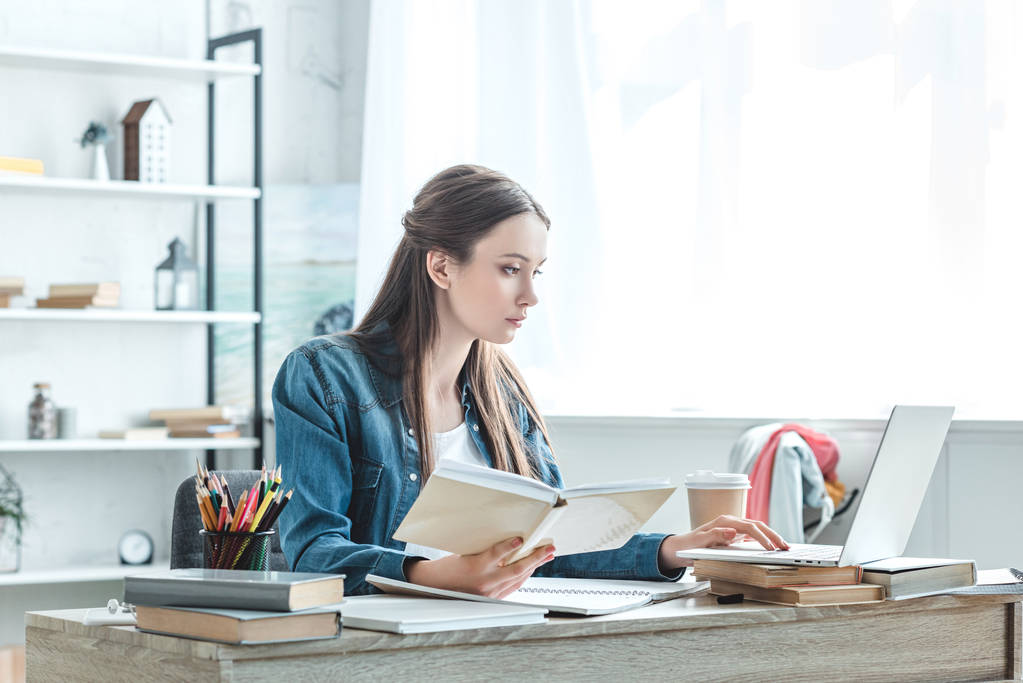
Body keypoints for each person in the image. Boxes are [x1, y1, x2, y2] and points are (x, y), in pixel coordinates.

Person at [273, 164, 788, 597]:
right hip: (380, 646)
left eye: (535, 272)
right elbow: (312, 552)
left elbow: (552, 543)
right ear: (441, 266)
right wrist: (434, 576)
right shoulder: (323, 375)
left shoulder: (503, 392)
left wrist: (674, 547)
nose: (530, 296)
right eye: (509, 269)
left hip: (503, 635)